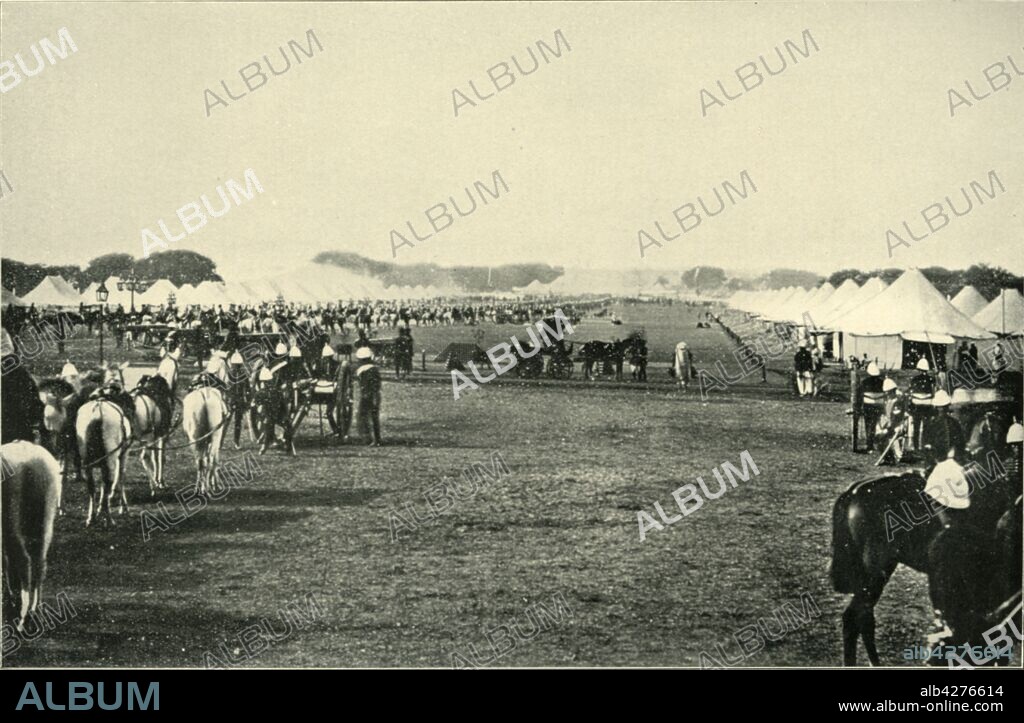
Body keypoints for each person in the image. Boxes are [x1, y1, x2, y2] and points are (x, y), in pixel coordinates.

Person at [355, 346, 382, 446]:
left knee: (364, 417)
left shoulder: (364, 370)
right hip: (372, 395)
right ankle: (374, 438)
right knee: (372, 417)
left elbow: (373, 385)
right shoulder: (373, 369)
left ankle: (370, 438)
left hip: (368, 395)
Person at [909, 358, 935, 450]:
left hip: (916, 405)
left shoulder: (914, 379)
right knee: (926, 427)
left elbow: (911, 392)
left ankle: (916, 446)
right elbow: (933, 392)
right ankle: (925, 445)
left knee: (916, 427)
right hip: (927, 405)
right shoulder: (931, 379)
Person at [860, 362, 885, 451]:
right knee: (875, 423)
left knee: (868, 423)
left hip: (868, 405)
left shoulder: (864, 382)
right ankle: (874, 441)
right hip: (879, 405)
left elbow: (860, 395)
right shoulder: (882, 382)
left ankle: (869, 442)